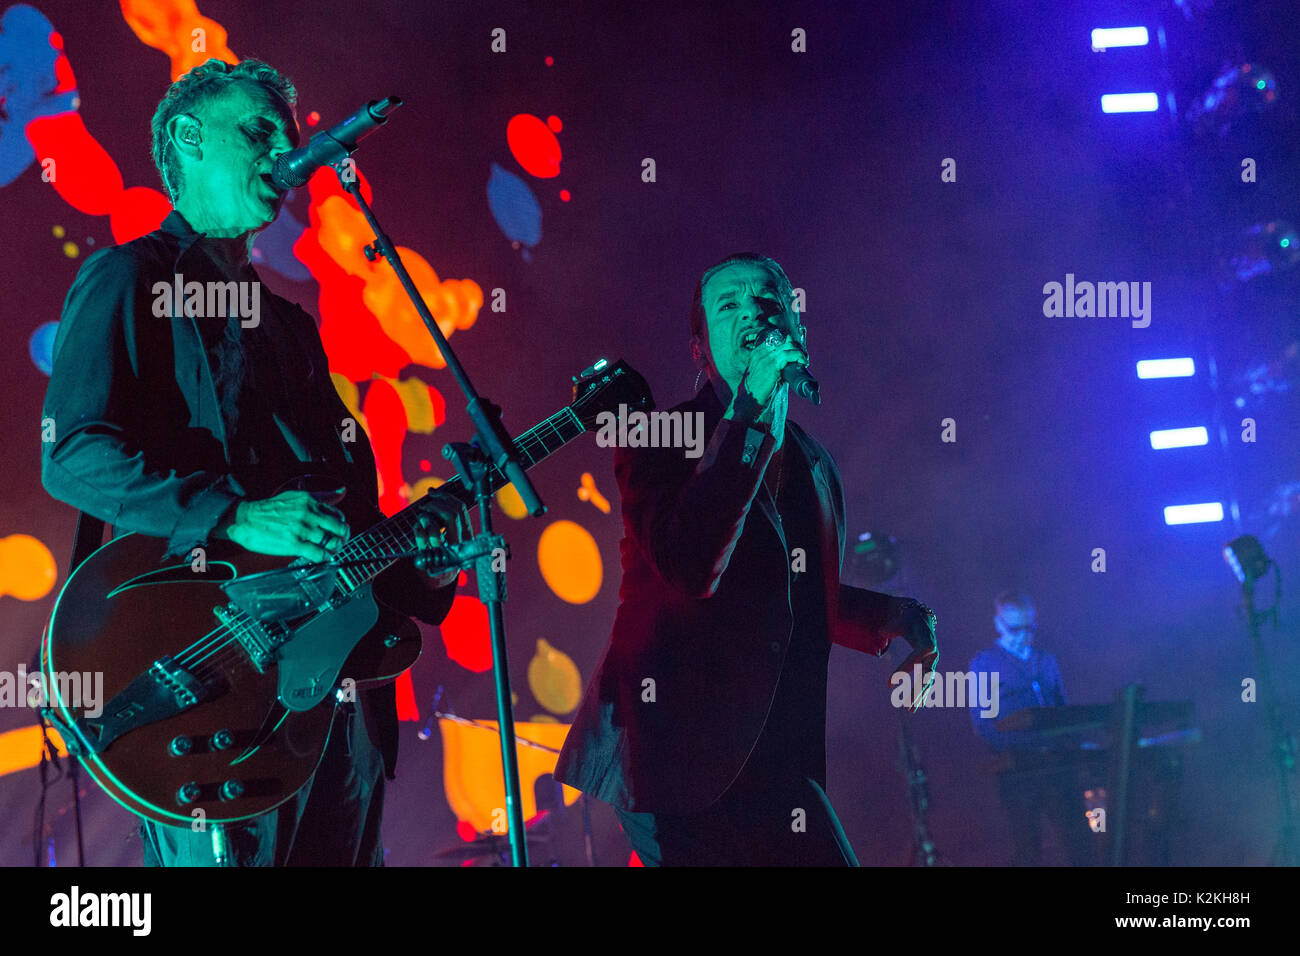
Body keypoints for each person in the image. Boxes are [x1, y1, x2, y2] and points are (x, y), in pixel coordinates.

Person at [41, 58, 460, 866]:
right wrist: (232, 516)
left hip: (337, 687)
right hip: (210, 676)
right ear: (188, 139)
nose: (284, 152)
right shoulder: (129, 279)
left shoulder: (291, 327)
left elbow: (345, 511)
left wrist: (421, 570)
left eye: (291, 138)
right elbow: (75, 456)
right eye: (259, 131)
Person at [554, 252, 938, 865]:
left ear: (797, 329)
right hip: (671, 757)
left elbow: (791, 598)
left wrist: (892, 614)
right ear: (702, 353)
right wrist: (749, 419)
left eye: (767, 299)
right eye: (728, 306)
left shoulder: (816, 464)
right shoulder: (657, 439)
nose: (752, 312)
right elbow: (691, 567)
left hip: (777, 759)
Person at [969, 590, 1092, 865]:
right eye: (1015, 629)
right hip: (1019, 774)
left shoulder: (1046, 660)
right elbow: (983, 726)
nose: (1024, 635)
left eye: (1029, 627)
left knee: (1080, 846)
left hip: (1059, 768)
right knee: (1027, 851)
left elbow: (1064, 709)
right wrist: (1023, 750)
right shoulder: (984, 665)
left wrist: (1076, 746)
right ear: (998, 624)